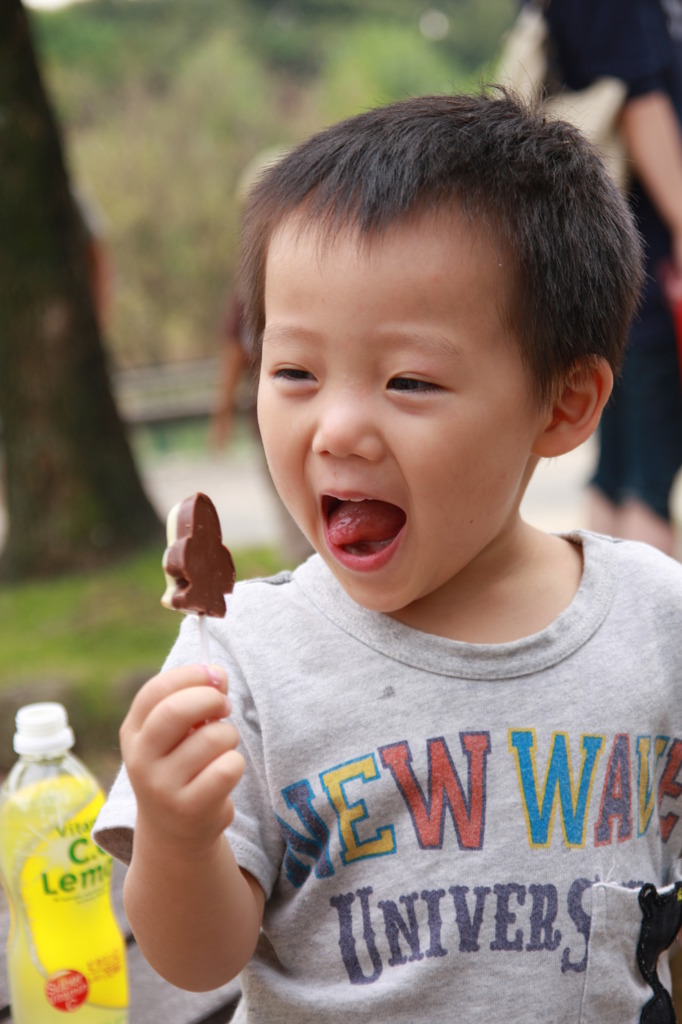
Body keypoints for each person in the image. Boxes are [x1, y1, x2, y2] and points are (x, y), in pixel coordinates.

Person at [93, 92, 682, 1022]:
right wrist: (176, 835)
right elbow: (200, 959)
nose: (337, 429)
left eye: (409, 380)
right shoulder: (240, 654)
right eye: (293, 372)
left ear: (564, 405)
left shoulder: (656, 617)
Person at [545, 0, 682, 557]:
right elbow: (641, 103)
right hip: (653, 268)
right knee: (646, 485)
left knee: (616, 473)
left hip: (610, 266)